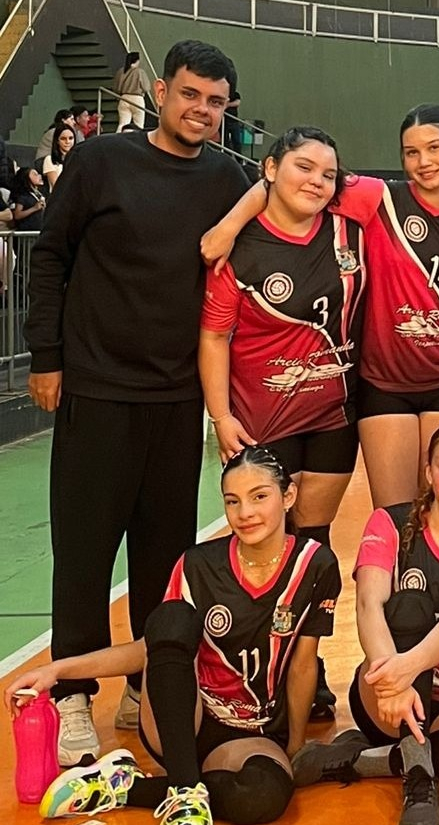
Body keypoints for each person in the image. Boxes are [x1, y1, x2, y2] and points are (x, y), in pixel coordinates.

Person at [23, 39, 249, 766]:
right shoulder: (99, 162)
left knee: (164, 558)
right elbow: (50, 254)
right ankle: (73, 701)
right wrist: (47, 356)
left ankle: (145, 681)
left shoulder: (224, 177)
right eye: (190, 95)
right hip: (96, 387)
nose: (202, 111)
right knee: (84, 557)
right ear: (159, 90)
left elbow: (277, 194)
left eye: (215, 102)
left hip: (177, 397)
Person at [4, 447, 341, 825]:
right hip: (181, 716)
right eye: (233, 501)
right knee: (172, 617)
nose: (245, 513)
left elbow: (301, 664)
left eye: (259, 496)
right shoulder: (198, 564)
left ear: (288, 497)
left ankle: (127, 786)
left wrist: (295, 744)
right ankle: (185, 795)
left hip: (252, 731)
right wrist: (59, 670)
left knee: (261, 799)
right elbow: (153, 649)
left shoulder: (316, 565)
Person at [204, 104, 439, 512]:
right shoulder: (376, 198)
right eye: (411, 152)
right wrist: (230, 226)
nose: (424, 161)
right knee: (397, 519)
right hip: (383, 384)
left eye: (435, 148)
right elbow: (285, 180)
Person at [199, 126, 364, 719]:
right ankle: (255, 668)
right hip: (262, 421)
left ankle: (306, 670)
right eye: (302, 167)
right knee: (267, 544)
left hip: (333, 414)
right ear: (269, 168)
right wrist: (220, 417)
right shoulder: (239, 248)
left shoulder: (350, 231)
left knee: (310, 545)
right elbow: (214, 336)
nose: (316, 181)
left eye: (327, 173)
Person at [288, 420, 439, 825]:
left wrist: (407, 668)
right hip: (380, 693)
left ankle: (362, 759)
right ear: (429, 471)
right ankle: (419, 782)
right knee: (409, 606)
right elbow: (368, 604)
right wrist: (392, 679)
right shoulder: (389, 523)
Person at [115, 51, 153, 130]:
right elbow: (146, 87)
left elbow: (116, 88)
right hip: (137, 99)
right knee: (138, 124)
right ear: (137, 60)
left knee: (122, 123)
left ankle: (118, 140)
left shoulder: (121, 71)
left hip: (123, 98)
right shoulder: (139, 72)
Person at [9, 167, 47, 231]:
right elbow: (17, 215)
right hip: (28, 231)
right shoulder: (23, 195)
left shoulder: (39, 194)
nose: (39, 176)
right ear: (26, 178)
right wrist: (34, 208)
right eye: (35, 174)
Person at [41, 124, 74, 192]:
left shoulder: (77, 159)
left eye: (71, 138)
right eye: (63, 138)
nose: (67, 142)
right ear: (57, 141)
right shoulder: (49, 159)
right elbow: (56, 185)